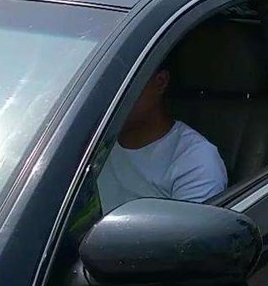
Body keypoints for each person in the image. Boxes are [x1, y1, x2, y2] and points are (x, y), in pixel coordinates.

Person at [96, 60, 228, 214]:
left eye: (120, 82)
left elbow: (192, 229)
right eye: (102, 84)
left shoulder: (195, 161)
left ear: (160, 82)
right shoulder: (94, 143)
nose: (108, 94)